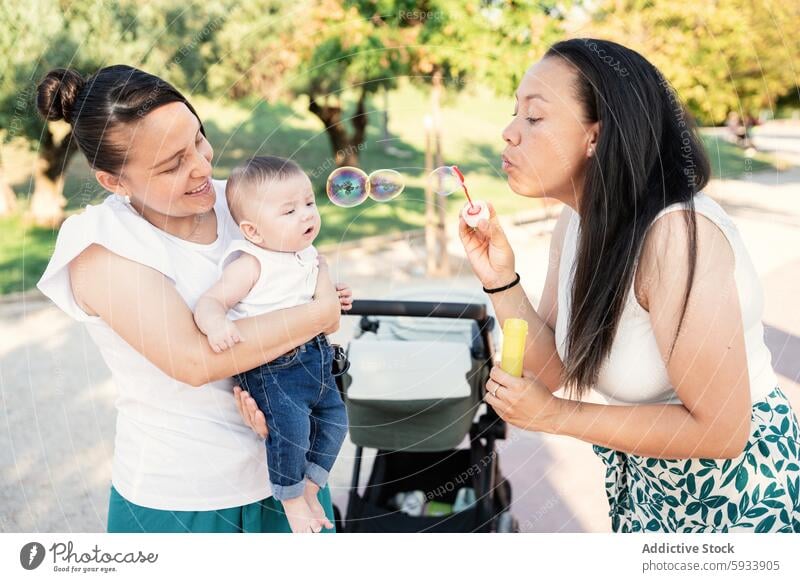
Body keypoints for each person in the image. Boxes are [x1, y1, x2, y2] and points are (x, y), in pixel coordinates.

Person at [459, 39, 800, 532]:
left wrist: (556, 417)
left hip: (738, 493)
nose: (508, 133)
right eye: (515, 114)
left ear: (595, 137)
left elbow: (724, 431)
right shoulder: (575, 224)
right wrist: (500, 280)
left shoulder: (679, 238)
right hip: (649, 485)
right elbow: (552, 371)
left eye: (533, 118)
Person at [35, 65, 346, 533]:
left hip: (282, 475)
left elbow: (307, 268)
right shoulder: (100, 244)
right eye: (172, 163)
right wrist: (318, 313)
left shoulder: (240, 200)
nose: (202, 166)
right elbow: (196, 359)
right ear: (113, 181)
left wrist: (319, 304)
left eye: (198, 139)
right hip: (183, 501)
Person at [194, 156, 351, 533]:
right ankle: (291, 498)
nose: (306, 215)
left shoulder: (305, 254)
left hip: (315, 359)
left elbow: (314, 299)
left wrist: (334, 293)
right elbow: (210, 302)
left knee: (335, 422)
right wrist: (216, 325)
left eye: (309, 204)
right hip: (273, 369)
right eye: (289, 210)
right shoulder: (250, 263)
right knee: (291, 431)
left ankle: (310, 488)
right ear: (254, 230)